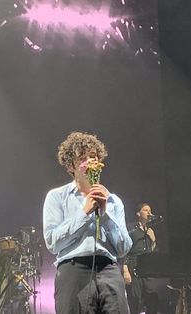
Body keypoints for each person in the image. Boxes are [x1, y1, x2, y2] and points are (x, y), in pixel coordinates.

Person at [43, 131, 132, 314]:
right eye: (82, 158)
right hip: (73, 269)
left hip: (109, 268)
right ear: (71, 166)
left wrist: (105, 214)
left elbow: (124, 247)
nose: (89, 162)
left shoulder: (113, 201)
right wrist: (85, 212)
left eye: (92, 157)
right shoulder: (57, 197)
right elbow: (52, 242)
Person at [122, 203, 159, 314]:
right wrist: (125, 270)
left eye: (150, 210)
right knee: (135, 301)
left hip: (148, 270)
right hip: (134, 267)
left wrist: (153, 239)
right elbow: (125, 250)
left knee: (152, 299)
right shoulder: (130, 228)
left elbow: (152, 250)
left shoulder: (150, 230)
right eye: (145, 210)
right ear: (138, 213)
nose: (149, 212)